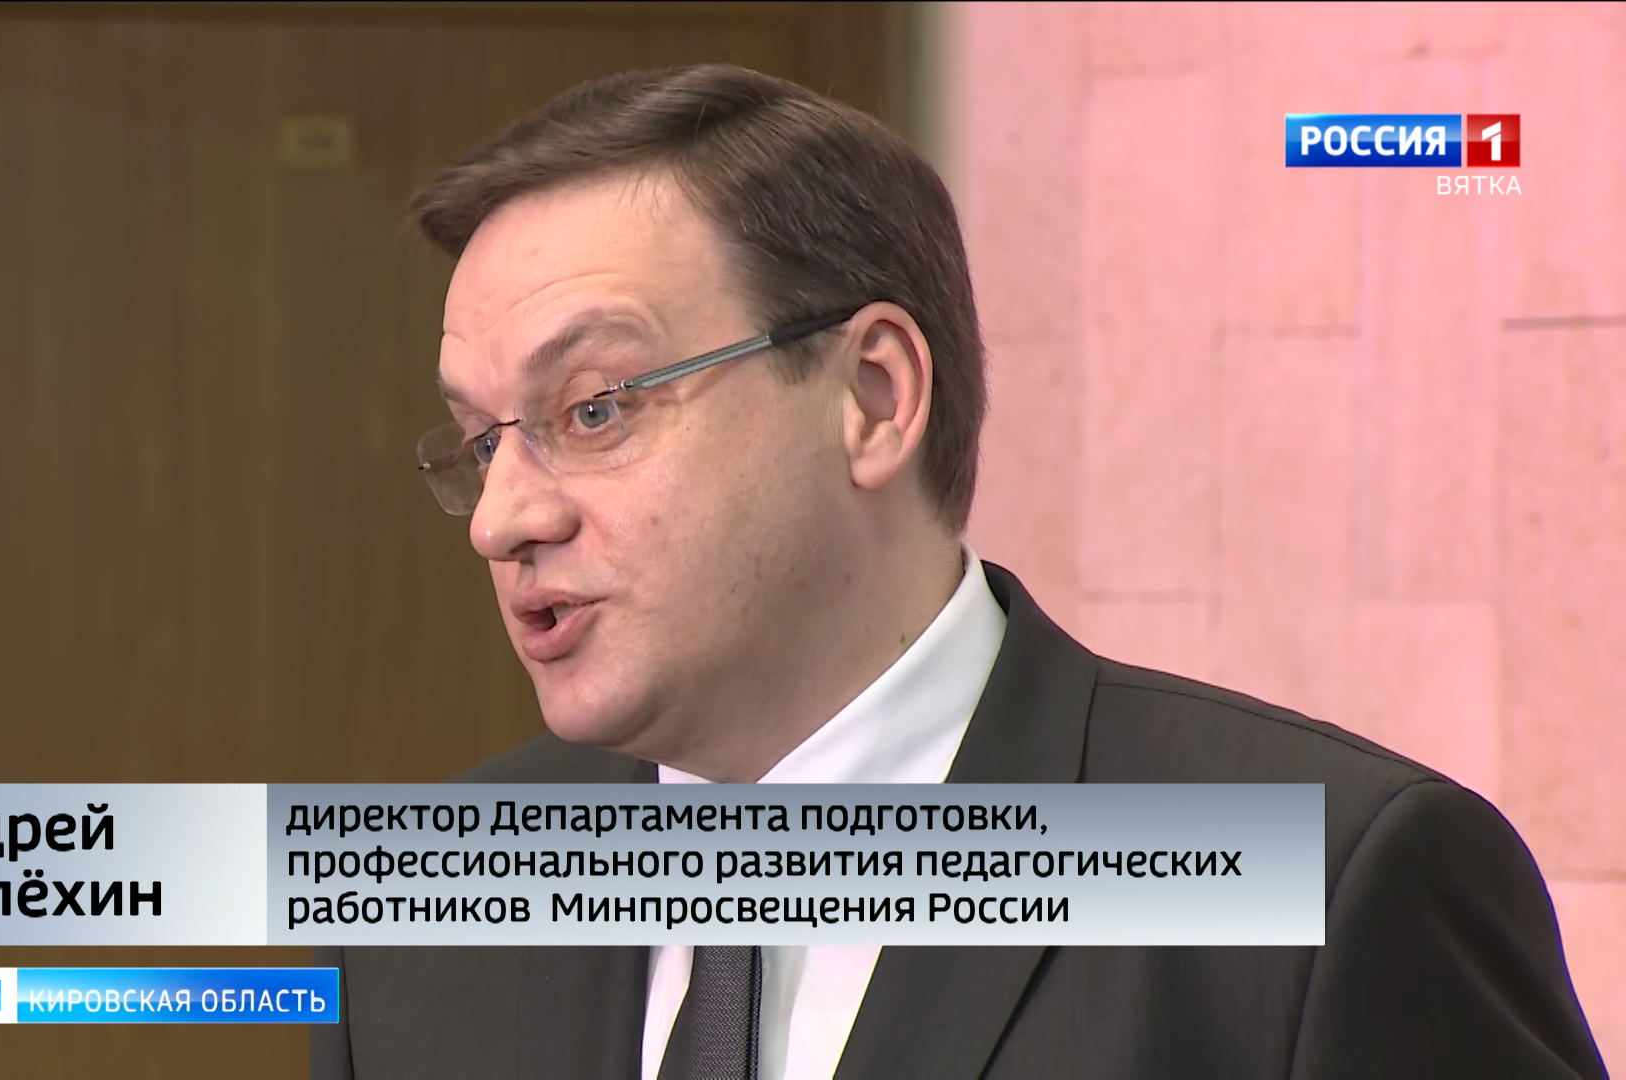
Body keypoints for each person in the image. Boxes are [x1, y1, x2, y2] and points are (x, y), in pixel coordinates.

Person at [312, 64, 1606, 1079]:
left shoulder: (1330, 887)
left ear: (874, 397)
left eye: (594, 408)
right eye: (483, 442)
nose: (501, 520)